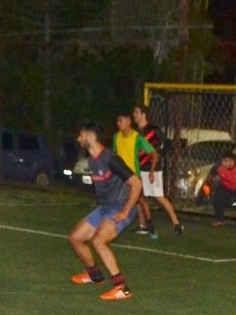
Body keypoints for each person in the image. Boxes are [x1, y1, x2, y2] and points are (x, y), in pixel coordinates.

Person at [69, 121, 142, 301]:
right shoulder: (92, 161)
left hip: (120, 207)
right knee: (75, 238)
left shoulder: (111, 159)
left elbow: (136, 184)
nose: (78, 139)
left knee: (99, 241)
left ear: (90, 135)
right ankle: (94, 275)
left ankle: (122, 288)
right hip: (105, 208)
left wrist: (125, 211)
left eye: (81, 135)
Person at [132, 105, 183, 237]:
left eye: (137, 112)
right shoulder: (135, 132)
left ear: (144, 115)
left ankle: (176, 223)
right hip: (139, 168)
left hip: (151, 168)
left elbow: (167, 143)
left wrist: (158, 155)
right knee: (138, 196)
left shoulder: (153, 130)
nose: (134, 115)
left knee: (158, 196)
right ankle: (143, 224)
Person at [112, 112, 156, 238]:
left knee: (140, 201)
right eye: (117, 121)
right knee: (133, 201)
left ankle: (150, 225)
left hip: (132, 176)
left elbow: (153, 154)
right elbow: (115, 155)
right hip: (120, 175)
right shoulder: (116, 137)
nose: (118, 123)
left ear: (128, 121)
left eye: (121, 120)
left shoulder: (137, 138)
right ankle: (142, 225)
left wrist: (152, 172)